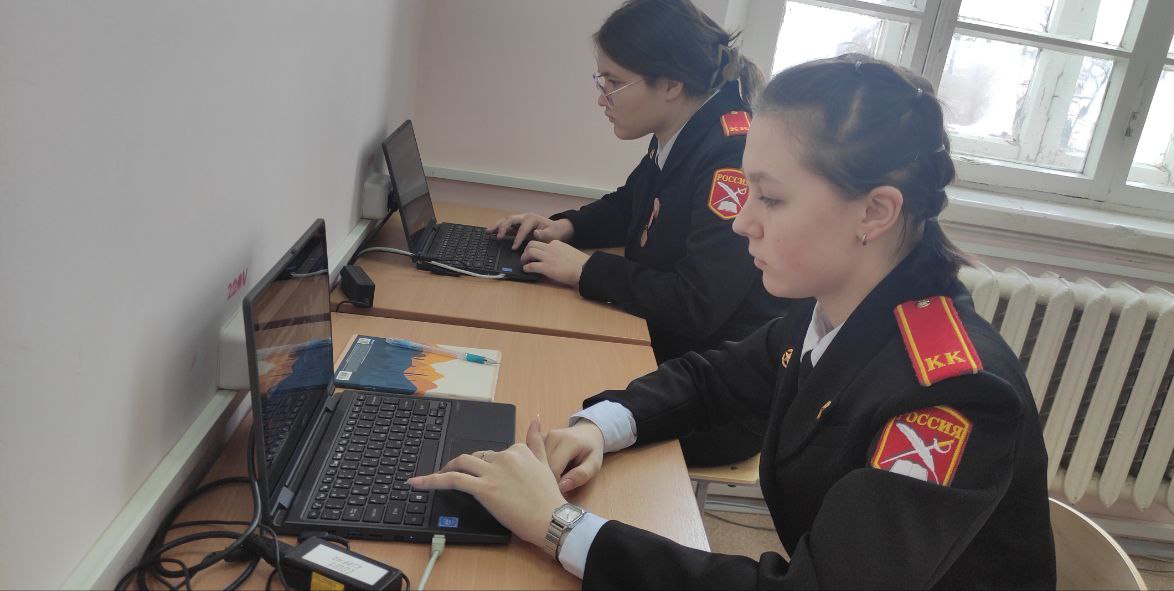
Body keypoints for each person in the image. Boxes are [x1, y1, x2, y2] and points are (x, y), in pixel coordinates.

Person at [413, 54, 1057, 588]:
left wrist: (559, 526)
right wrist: (597, 427)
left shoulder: (952, 393)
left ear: (874, 212)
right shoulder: (839, 307)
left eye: (770, 198)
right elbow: (711, 380)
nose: (743, 221)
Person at [488, 0, 787, 467]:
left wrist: (586, 270)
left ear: (670, 83)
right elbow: (635, 201)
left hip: (712, 397)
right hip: (667, 353)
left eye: (613, 82)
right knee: (536, 373)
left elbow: (697, 304)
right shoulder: (688, 124)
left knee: (538, 401)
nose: (601, 97)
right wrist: (567, 225)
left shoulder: (730, 156)